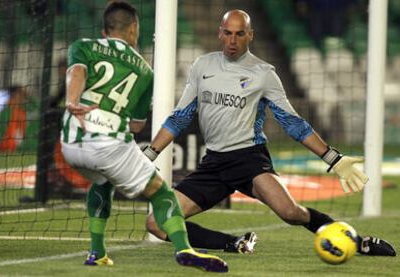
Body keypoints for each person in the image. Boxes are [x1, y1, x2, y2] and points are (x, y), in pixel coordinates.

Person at [143, 10, 396, 257]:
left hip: (249, 160)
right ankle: (235, 243)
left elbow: (292, 122)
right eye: (228, 33)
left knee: (290, 212)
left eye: (239, 34)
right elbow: (180, 117)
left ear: (251, 35)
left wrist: (333, 158)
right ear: (220, 33)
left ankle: (358, 241)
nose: (232, 40)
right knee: (157, 222)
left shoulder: (263, 73)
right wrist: (149, 154)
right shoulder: (202, 66)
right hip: (214, 163)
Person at [60, 1, 228, 272]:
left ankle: (97, 252)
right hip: (107, 144)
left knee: (102, 182)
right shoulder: (145, 70)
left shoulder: (82, 46)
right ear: (134, 29)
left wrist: (71, 101)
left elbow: (76, 71)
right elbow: (137, 127)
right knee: (163, 194)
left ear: (105, 30)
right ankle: (184, 249)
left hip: (70, 144)